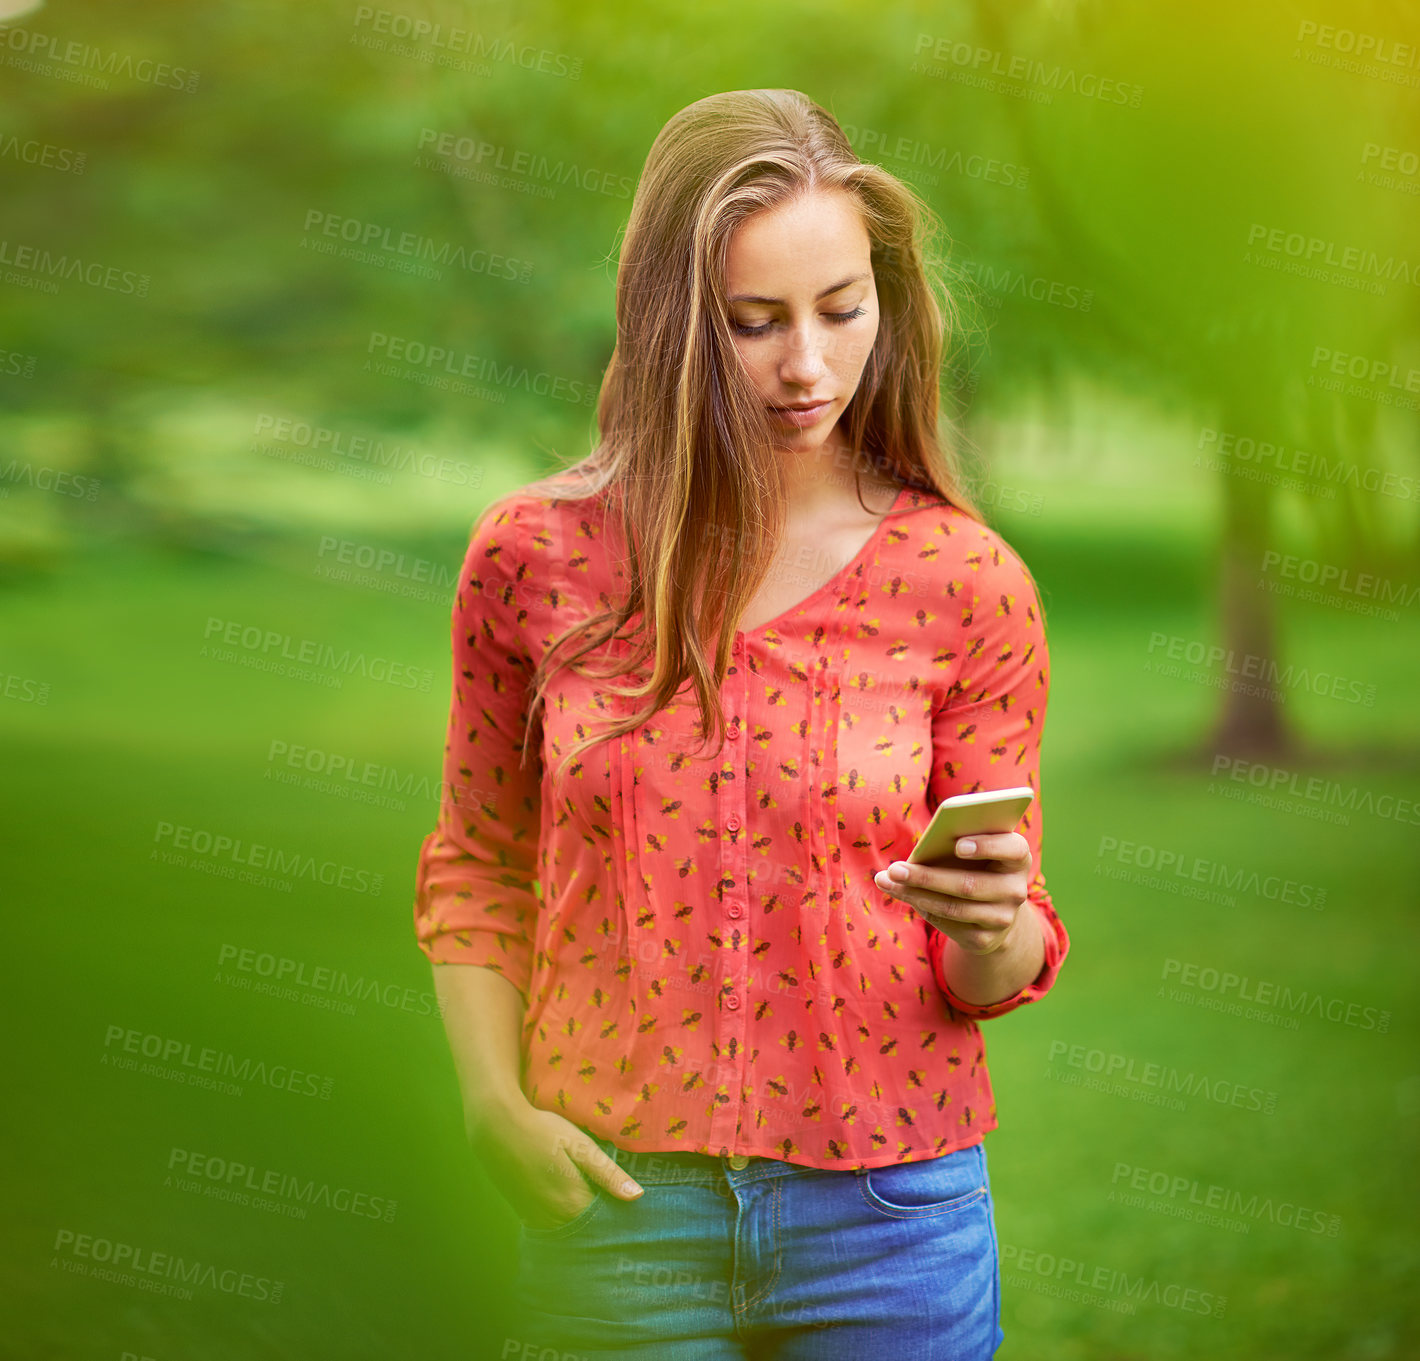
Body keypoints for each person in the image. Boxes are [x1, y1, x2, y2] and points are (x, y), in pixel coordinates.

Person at [414, 88, 1070, 1360]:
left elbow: (993, 953)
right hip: (612, 1208)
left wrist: (993, 923)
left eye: (842, 309)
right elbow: (478, 859)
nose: (807, 366)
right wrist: (489, 1102)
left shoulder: (963, 576)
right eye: (753, 322)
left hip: (895, 1216)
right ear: (668, 321)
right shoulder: (533, 554)